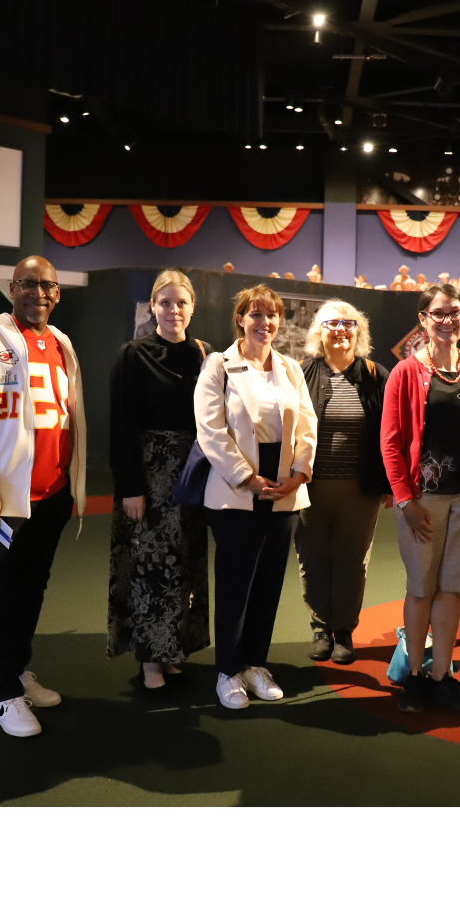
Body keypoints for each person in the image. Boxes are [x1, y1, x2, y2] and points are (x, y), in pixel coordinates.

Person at [0, 256, 87, 737]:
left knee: (31, 587)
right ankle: (2, 693)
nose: (39, 293)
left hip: (50, 494)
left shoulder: (62, 343)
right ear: (12, 288)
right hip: (2, 498)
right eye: (28, 284)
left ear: (58, 293)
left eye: (48, 285)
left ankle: (17, 670)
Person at [194, 285, 317, 710]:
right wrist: (248, 478)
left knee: (268, 584)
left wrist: (299, 474)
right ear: (240, 320)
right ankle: (227, 671)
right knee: (234, 585)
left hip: (284, 492)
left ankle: (254, 664)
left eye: (272, 315)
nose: (265, 323)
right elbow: (210, 431)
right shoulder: (218, 366)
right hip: (236, 492)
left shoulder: (290, 368)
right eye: (256, 315)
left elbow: (306, 426)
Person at [381, 283, 460, 714]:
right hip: (422, 502)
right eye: (439, 313)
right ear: (424, 320)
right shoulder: (405, 373)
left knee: (451, 590)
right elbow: (390, 443)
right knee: (420, 589)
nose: (448, 320)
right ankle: (414, 679)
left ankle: (442, 676)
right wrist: (405, 500)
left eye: (456, 312)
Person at [107, 271, 211, 690]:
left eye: (181, 302)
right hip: (149, 477)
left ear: (192, 307)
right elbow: (121, 425)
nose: (173, 310)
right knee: (150, 569)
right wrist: (131, 486)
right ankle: (150, 659)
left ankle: (172, 650)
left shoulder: (204, 355)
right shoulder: (133, 354)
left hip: (192, 475)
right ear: (153, 306)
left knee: (184, 564)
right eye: (165, 302)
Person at [296, 301, 391, 664]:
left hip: (360, 489)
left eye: (348, 323)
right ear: (318, 332)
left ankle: (344, 630)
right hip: (311, 487)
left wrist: (387, 482)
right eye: (330, 323)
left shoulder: (375, 374)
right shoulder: (303, 372)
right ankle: (321, 628)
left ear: (359, 331)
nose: (340, 330)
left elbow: (388, 431)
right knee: (313, 557)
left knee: (352, 561)